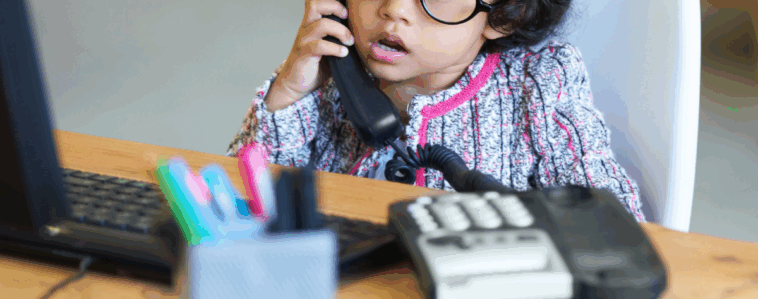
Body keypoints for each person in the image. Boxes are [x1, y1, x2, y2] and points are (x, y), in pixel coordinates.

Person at [226, 0, 647, 222]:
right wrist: (289, 94)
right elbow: (239, 210)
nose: (394, 8)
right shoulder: (322, 75)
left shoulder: (539, 84)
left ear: (507, 12)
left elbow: (613, 219)